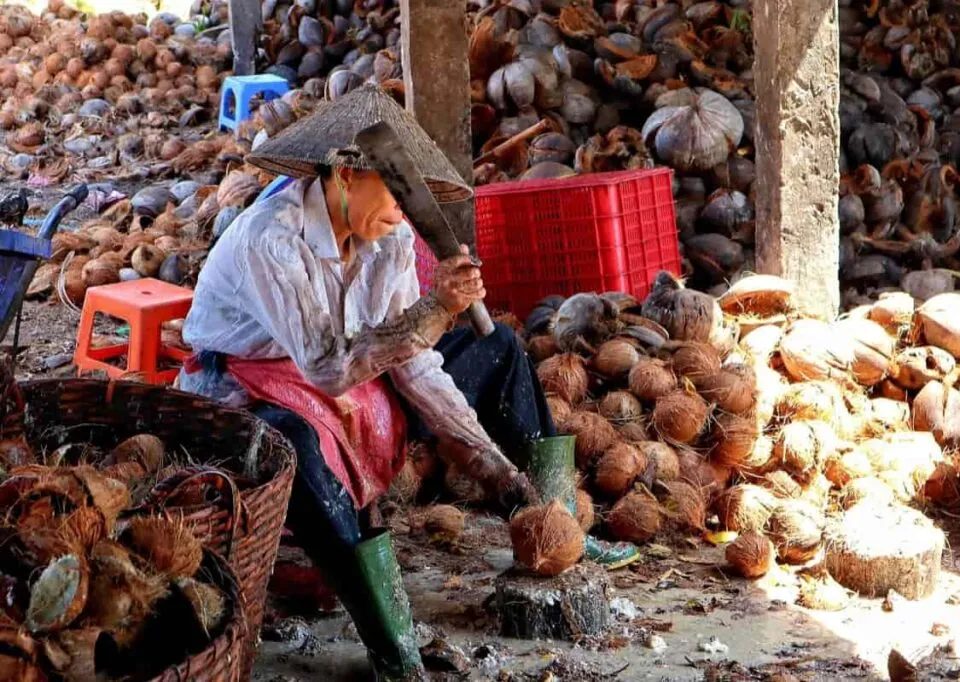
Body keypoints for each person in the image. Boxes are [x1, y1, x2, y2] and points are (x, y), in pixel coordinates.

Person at [178, 83, 636, 682]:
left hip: (351, 374)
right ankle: (390, 641)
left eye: (409, 194)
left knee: (497, 348)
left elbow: (412, 364)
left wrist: (501, 480)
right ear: (343, 174)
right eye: (393, 189)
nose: (402, 208)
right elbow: (326, 367)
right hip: (246, 387)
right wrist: (433, 312)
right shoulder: (272, 237)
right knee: (293, 446)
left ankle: (547, 515)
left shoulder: (388, 237)